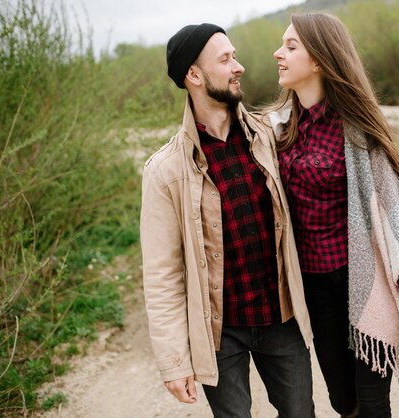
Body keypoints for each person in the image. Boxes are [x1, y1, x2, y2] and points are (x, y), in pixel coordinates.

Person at [267, 13, 399, 418]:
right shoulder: (277, 130)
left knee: (373, 401)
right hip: (314, 287)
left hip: (364, 282)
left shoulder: (356, 131)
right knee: (343, 400)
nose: (278, 53)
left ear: (320, 61)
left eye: (291, 46)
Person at [140, 23, 315, 418]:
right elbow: (162, 274)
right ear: (194, 75)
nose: (239, 67)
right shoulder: (165, 171)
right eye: (226, 59)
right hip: (219, 333)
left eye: (234, 56)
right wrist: (174, 362)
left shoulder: (271, 136)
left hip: (281, 317)